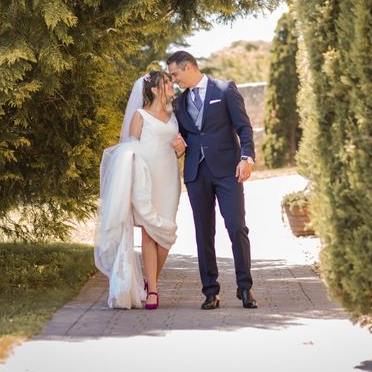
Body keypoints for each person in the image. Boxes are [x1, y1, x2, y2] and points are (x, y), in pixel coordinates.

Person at [167, 50, 258, 310]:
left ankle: (245, 287)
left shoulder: (225, 89)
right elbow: (185, 137)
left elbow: (244, 127)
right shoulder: (179, 103)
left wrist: (246, 158)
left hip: (229, 171)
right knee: (203, 233)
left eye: (175, 74)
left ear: (188, 67)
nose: (174, 80)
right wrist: (179, 146)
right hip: (197, 175)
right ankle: (210, 291)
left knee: (237, 227)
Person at [94, 70, 186, 309]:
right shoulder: (140, 115)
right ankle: (153, 290)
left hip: (169, 177)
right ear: (154, 89)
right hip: (146, 178)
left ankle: (149, 280)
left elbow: (178, 147)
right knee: (148, 231)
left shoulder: (174, 114)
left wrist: (181, 148)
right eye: (166, 82)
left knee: (167, 232)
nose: (171, 85)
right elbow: (128, 150)